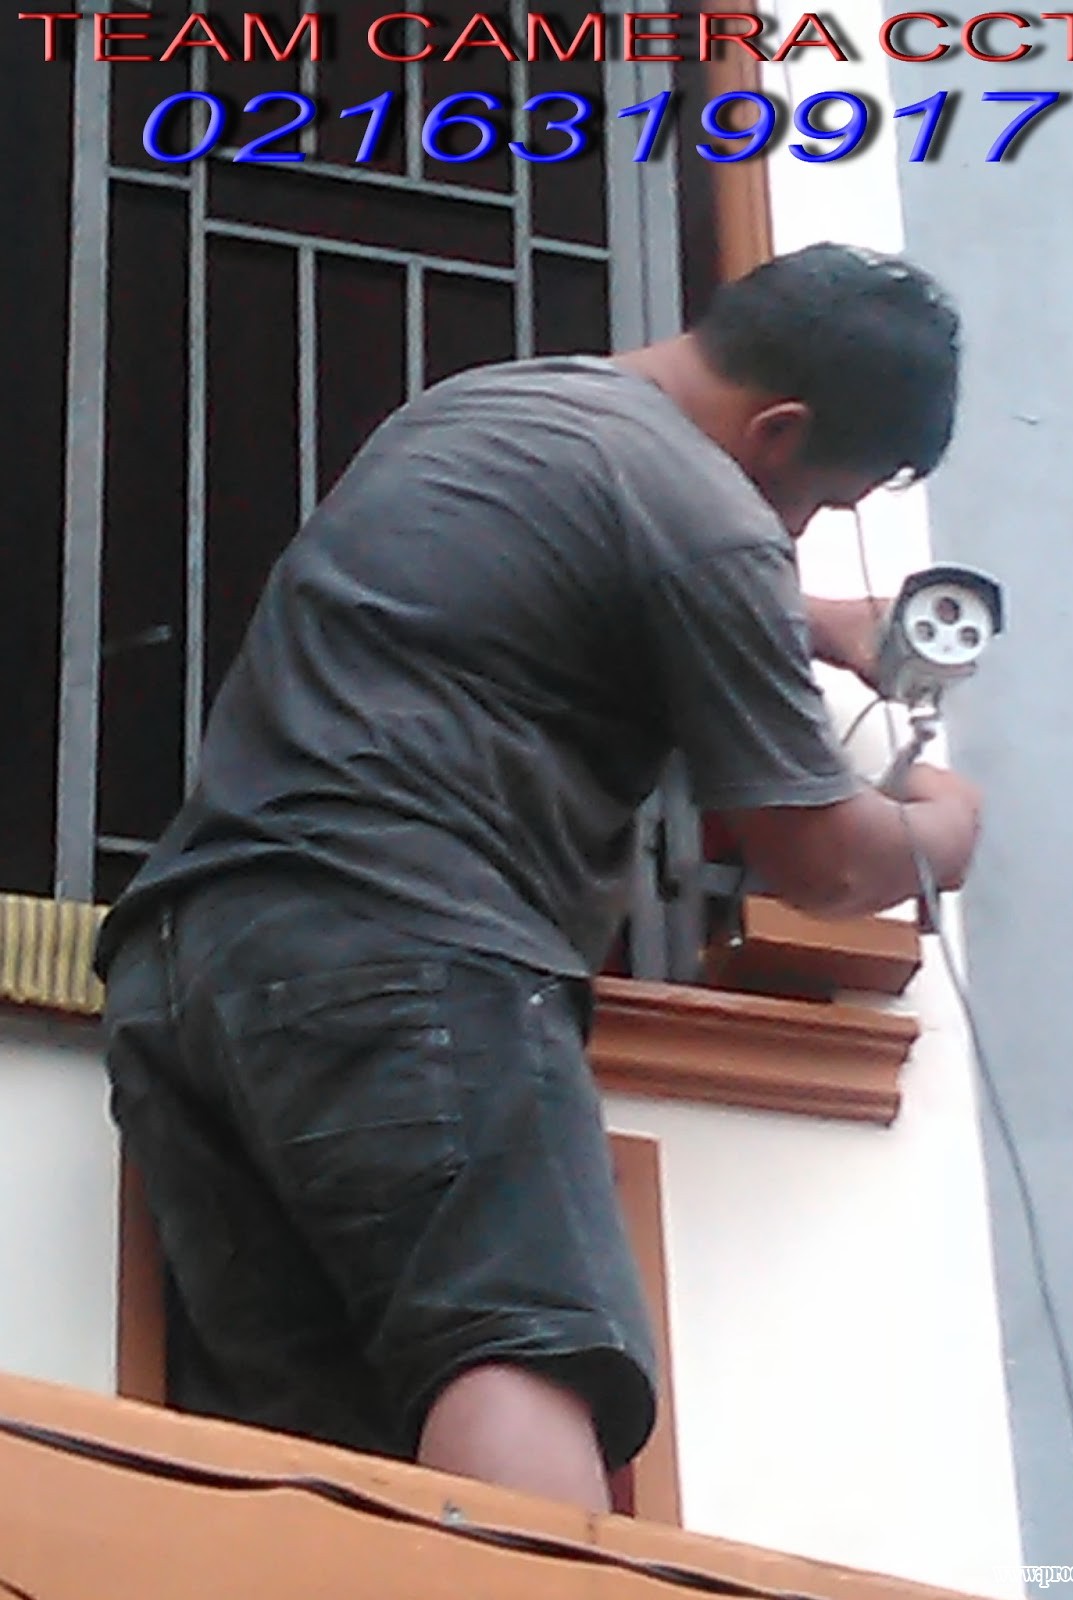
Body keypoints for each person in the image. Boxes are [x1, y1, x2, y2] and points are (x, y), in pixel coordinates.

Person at [96, 241, 982, 1513]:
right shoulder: (708, 517)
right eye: (814, 503)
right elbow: (823, 854)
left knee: (315, 1464)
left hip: (186, 966)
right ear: (779, 430)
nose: (793, 533)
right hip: (408, 950)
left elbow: (589, 560)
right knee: (519, 1347)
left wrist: (811, 620)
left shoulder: (492, 405)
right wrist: (944, 831)